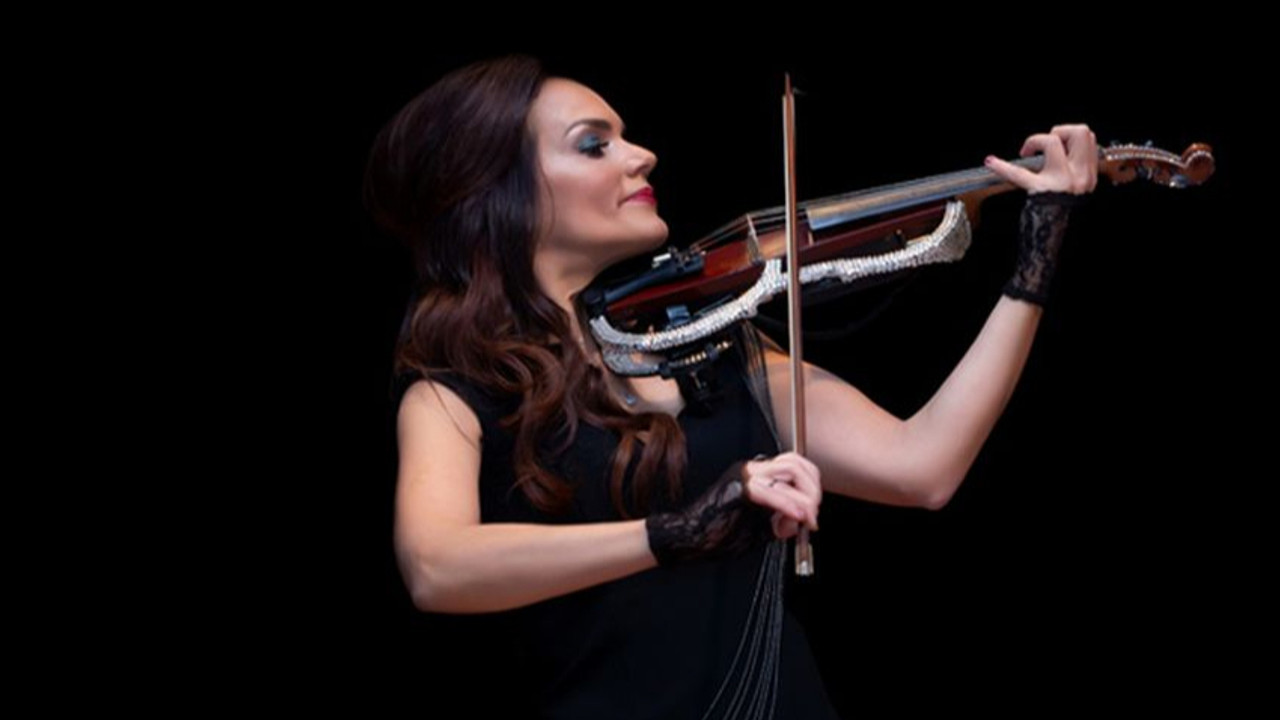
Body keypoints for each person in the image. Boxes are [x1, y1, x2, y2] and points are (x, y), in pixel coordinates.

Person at [364, 53, 1096, 719]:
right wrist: (673, 533)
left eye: (624, 137)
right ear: (496, 187)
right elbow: (437, 567)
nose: (642, 155)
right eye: (594, 145)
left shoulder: (719, 348)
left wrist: (1033, 265)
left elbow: (923, 467)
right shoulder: (455, 392)